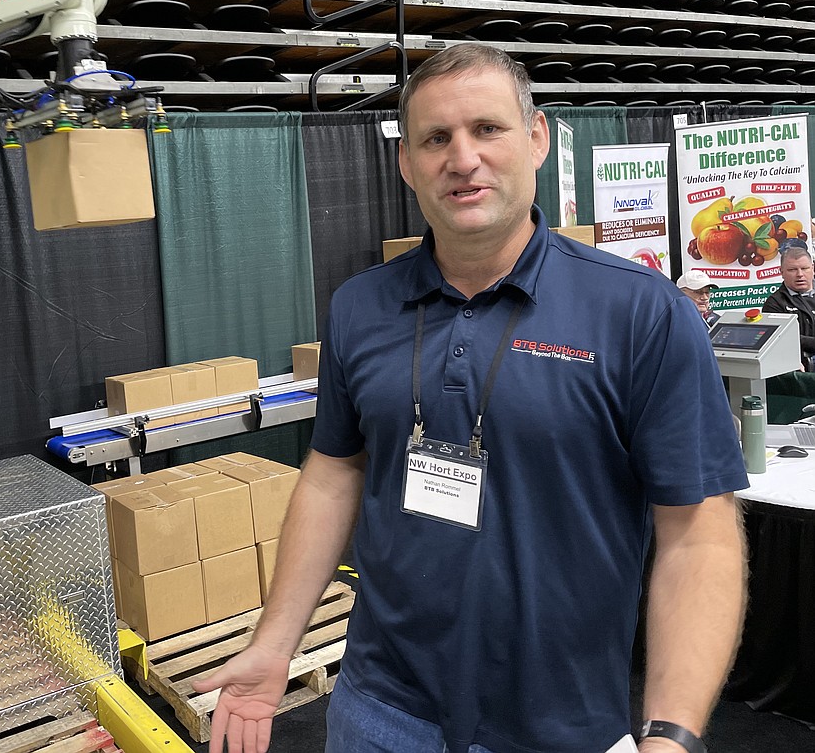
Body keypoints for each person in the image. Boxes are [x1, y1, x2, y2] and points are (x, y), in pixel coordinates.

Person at [192, 44, 748, 753]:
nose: (462, 158)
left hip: (559, 727)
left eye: (487, 129)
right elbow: (334, 473)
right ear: (407, 164)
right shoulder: (360, 307)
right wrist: (276, 642)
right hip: (378, 709)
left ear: (537, 138)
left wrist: (671, 732)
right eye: (435, 138)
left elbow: (698, 532)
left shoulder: (639, 312)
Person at [763, 245, 815, 371]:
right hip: (802, 367)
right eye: (792, 270)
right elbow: (781, 338)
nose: (800, 274)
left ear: (813, 269)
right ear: (782, 272)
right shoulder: (775, 303)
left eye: (805, 268)